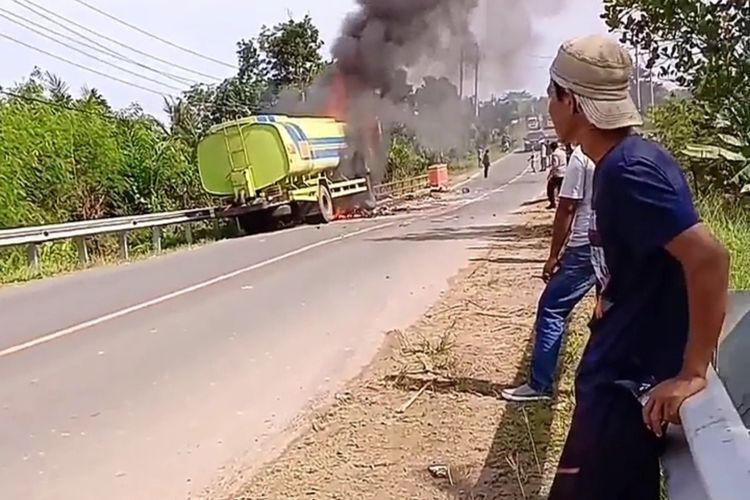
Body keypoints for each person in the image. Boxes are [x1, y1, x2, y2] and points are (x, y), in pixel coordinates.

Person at [544, 34, 730, 500]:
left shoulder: (629, 171)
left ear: (573, 102)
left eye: (552, 93)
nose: (549, 106)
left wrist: (691, 372)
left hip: (627, 390)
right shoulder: (619, 164)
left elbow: (709, 258)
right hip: (621, 378)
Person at [502, 144, 597, 402]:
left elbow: (567, 208)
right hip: (610, 243)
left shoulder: (580, 157)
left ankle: (540, 385)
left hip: (584, 246)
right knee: (608, 311)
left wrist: (553, 256)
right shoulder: (610, 151)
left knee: (552, 308)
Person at [546, 142, 567, 209]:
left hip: (557, 174)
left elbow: (555, 165)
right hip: (564, 172)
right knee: (561, 190)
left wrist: (550, 174)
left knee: (550, 189)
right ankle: (562, 205)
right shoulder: (563, 152)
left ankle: (553, 203)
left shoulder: (555, 154)